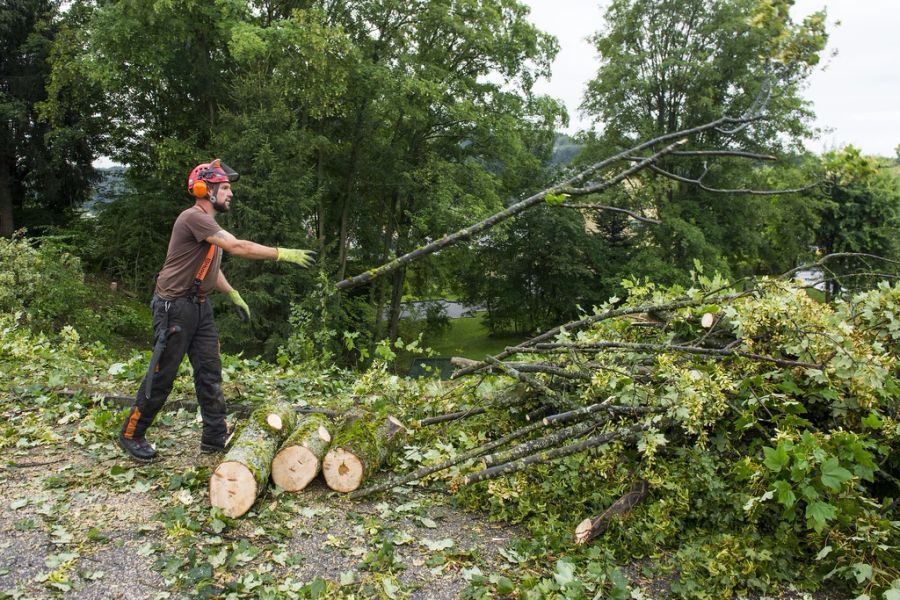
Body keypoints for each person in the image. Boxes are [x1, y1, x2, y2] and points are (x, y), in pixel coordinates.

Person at [117, 159, 314, 461]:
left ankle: (214, 439)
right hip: (173, 307)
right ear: (203, 189)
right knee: (163, 374)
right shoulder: (193, 217)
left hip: (198, 306)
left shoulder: (209, 227)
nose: (230, 193)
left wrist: (232, 293)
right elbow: (238, 247)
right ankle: (132, 434)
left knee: (209, 372)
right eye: (224, 188)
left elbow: (208, 268)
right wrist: (280, 254)